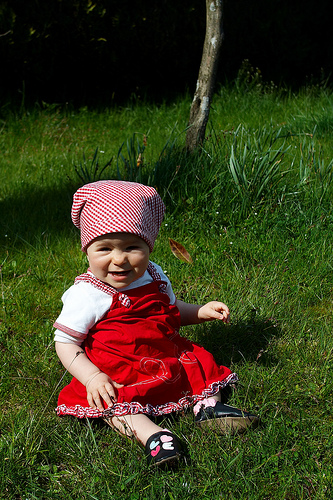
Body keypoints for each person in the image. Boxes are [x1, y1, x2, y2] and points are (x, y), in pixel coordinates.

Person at [54, 180, 259, 466]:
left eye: (132, 247)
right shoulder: (87, 294)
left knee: (198, 366)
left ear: (148, 246)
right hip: (118, 368)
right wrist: (91, 377)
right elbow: (66, 343)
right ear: (86, 251)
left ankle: (209, 408)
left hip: (164, 354)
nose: (119, 259)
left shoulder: (153, 274)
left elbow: (171, 311)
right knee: (112, 403)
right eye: (104, 248)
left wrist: (201, 311)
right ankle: (154, 436)